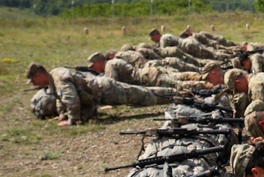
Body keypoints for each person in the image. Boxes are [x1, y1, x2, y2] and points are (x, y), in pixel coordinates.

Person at [26, 63, 179, 125]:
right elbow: (61, 99)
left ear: (39, 75)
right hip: (101, 92)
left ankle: (179, 95)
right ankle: (178, 95)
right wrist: (62, 114)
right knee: (143, 95)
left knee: (145, 96)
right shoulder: (54, 79)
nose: (34, 85)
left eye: (33, 80)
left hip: (105, 90)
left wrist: (72, 120)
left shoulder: (58, 76)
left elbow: (71, 99)